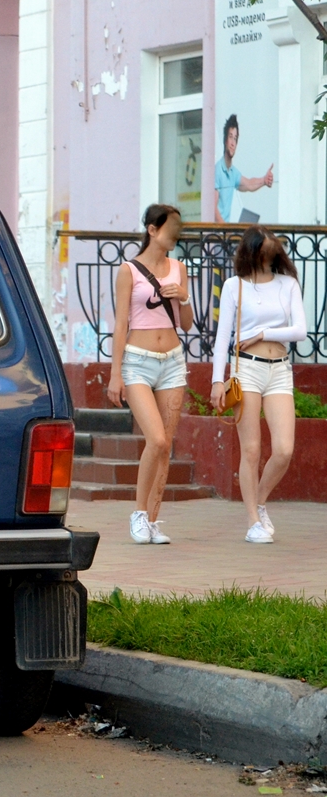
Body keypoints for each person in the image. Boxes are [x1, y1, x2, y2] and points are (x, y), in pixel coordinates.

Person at [210, 227, 307, 543]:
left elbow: (300, 330)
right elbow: (222, 338)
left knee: (284, 449)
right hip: (246, 369)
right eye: (263, 247)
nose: (269, 252)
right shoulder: (234, 286)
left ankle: (260, 500)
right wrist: (216, 380)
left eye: (272, 246)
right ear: (251, 251)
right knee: (251, 449)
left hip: (279, 369)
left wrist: (263, 334)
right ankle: (253, 520)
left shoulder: (288, 284)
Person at [107, 205, 194, 544]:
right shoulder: (128, 270)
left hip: (172, 362)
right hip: (137, 363)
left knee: (165, 445)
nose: (175, 235)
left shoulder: (179, 268)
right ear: (153, 229)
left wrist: (184, 297)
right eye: (170, 228)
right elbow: (120, 324)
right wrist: (115, 374)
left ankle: (154, 521)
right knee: (155, 439)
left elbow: (186, 324)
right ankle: (139, 513)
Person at [214, 114, 274, 223]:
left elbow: (249, 184)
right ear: (225, 140)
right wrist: (225, 230)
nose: (233, 143)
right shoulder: (217, 171)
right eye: (230, 137)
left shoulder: (232, 172)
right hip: (216, 232)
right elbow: (213, 209)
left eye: (235, 139)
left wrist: (264, 180)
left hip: (225, 230)